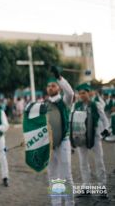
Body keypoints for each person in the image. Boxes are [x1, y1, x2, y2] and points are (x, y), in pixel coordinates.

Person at [72, 83, 110, 199]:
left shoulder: (95, 105)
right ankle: (86, 187)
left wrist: (106, 129)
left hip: (95, 136)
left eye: (84, 93)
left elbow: (104, 118)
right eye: (80, 93)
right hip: (81, 137)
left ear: (88, 93)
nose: (81, 95)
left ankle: (102, 188)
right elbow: (72, 120)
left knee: (99, 161)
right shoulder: (76, 105)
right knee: (83, 163)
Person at [45, 66, 75, 206]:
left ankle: (70, 203)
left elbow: (70, 93)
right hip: (49, 144)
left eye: (53, 85)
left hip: (63, 142)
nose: (50, 88)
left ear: (58, 88)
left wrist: (59, 78)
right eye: (48, 86)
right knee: (52, 176)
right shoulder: (44, 104)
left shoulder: (64, 102)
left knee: (66, 175)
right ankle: (56, 203)